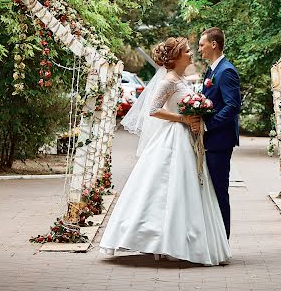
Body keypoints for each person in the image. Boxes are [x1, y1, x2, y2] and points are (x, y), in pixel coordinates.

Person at [99, 37, 231, 266]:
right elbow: (153, 109)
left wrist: (197, 117)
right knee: (164, 187)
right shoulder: (168, 81)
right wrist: (183, 118)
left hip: (186, 138)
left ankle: (181, 241)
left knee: (185, 189)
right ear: (176, 56)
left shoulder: (181, 79)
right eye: (187, 51)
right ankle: (160, 240)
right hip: (172, 138)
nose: (191, 54)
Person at [198, 27, 241, 240]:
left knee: (219, 191)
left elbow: (232, 106)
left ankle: (223, 240)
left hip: (219, 141)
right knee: (211, 191)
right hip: (210, 141)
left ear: (213, 44)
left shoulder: (226, 71)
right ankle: (213, 239)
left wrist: (208, 125)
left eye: (201, 44)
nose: (199, 49)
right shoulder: (212, 71)